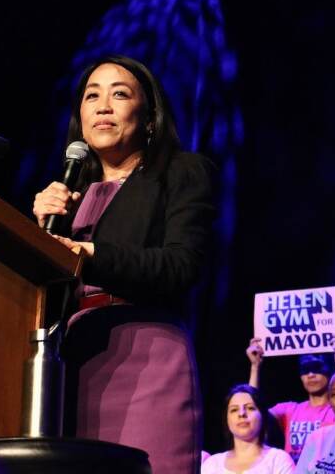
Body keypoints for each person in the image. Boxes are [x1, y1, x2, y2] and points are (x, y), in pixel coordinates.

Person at [32, 55, 216, 473]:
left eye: (120, 94)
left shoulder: (180, 172)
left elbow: (181, 265)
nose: (103, 105)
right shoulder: (69, 195)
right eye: (91, 96)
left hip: (144, 357)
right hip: (69, 364)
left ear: (149, 117)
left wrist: (87, 254)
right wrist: (38, 230)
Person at [246, 337, 335, 462]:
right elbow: (252, 409)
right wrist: (255, 366)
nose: (310, 375)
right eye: (305, 370)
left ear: (329, 369)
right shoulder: (290, 410)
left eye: (317, 367)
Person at [202, 385, 294, 474]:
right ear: (227, 419)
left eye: (250, 408)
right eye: (234, 410)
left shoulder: (278, 460)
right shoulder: (212, 464)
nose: (241, 413)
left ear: (262, 416)